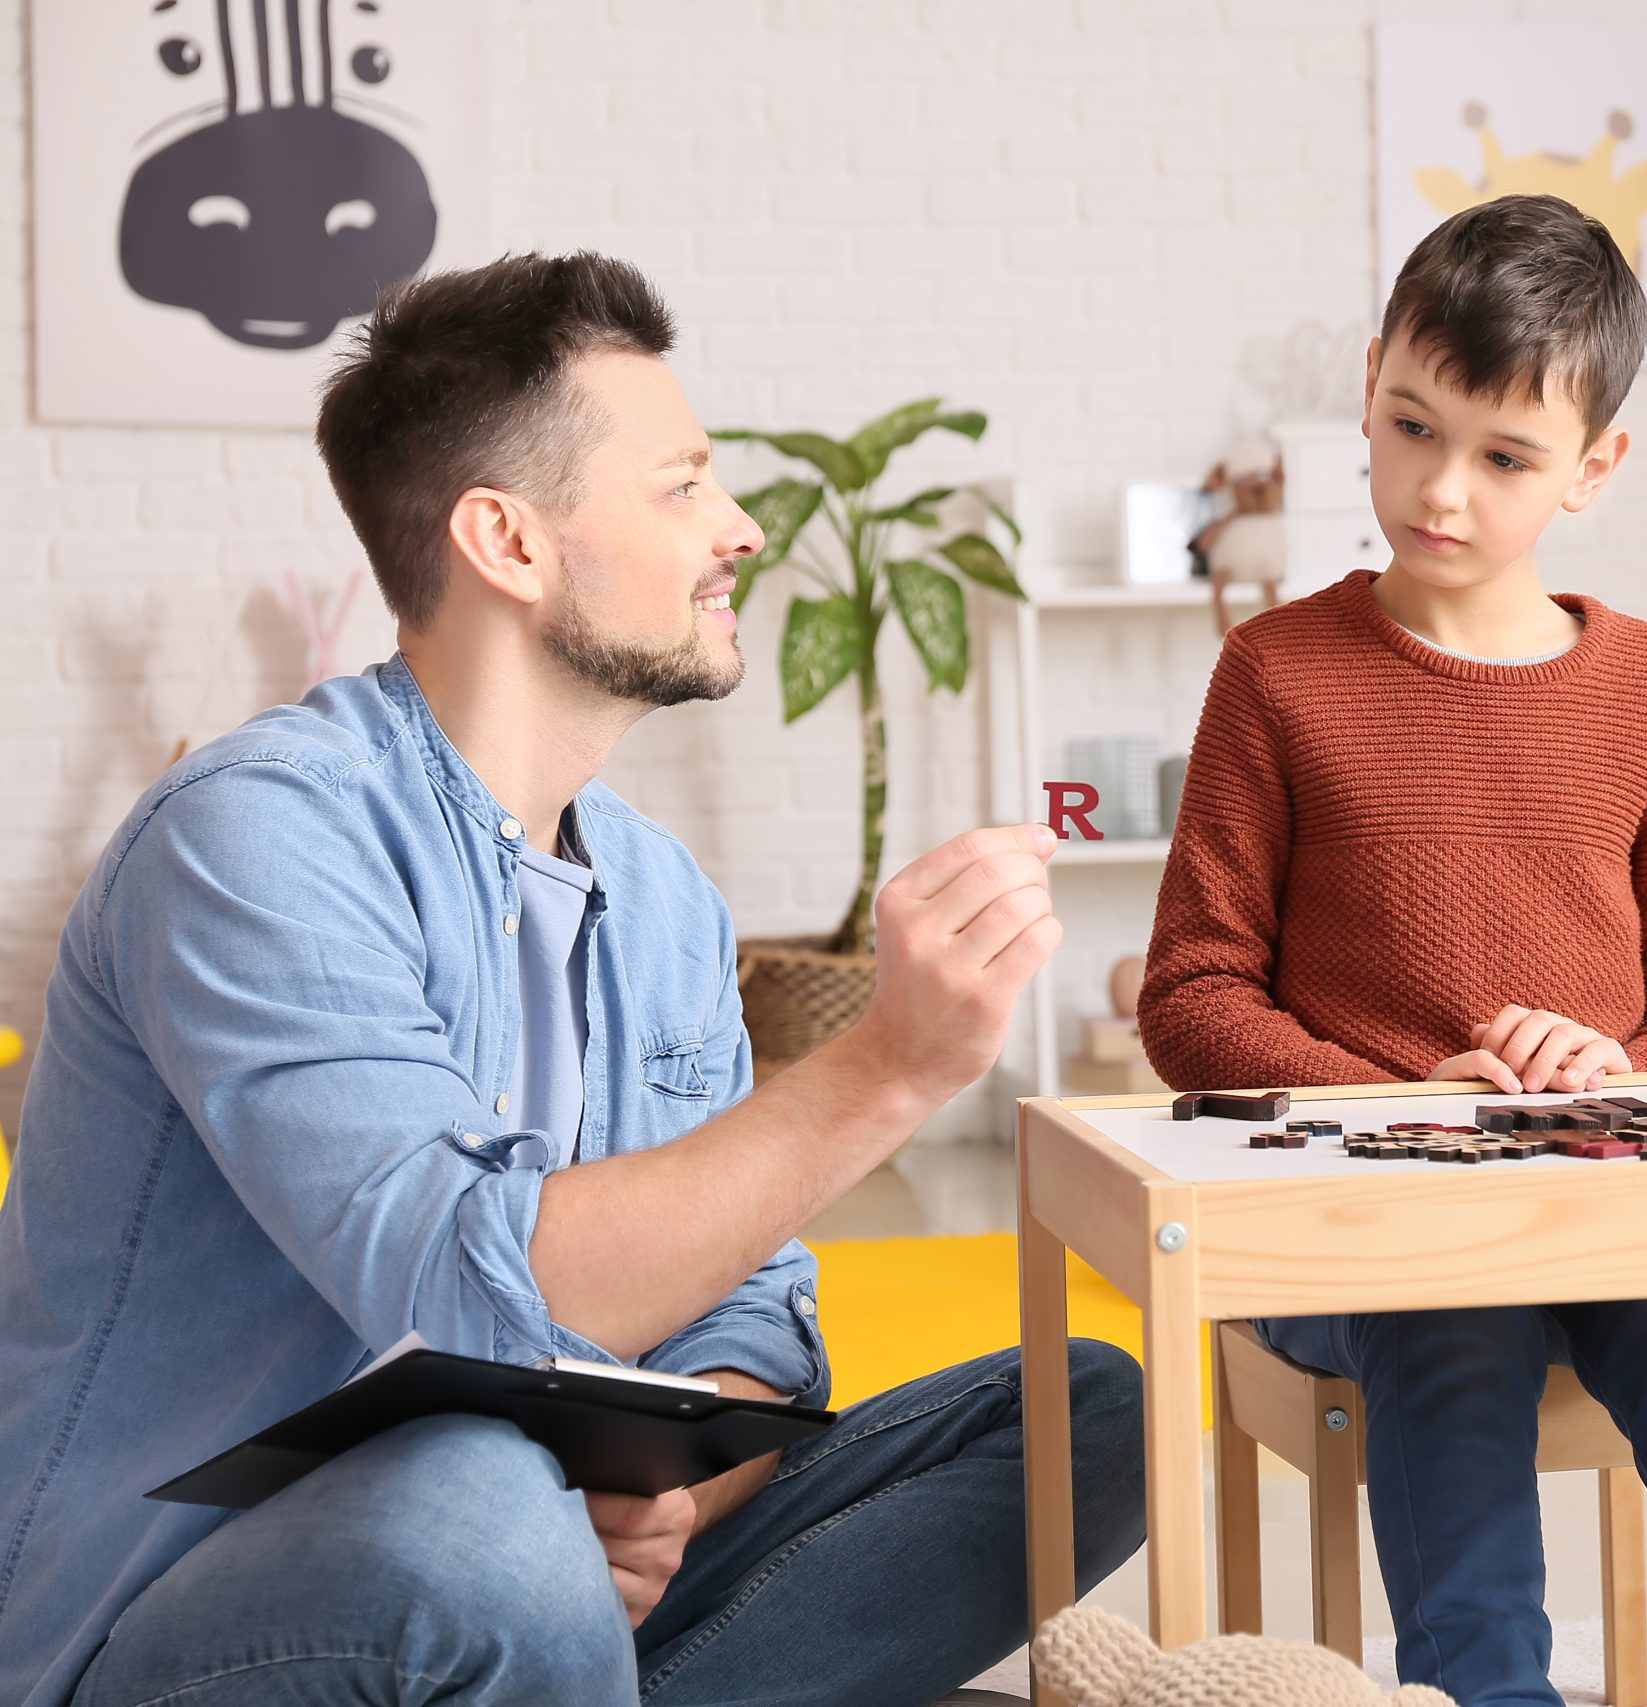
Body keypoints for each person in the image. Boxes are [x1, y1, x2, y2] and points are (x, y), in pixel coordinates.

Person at [0, 251, 1143, 1707]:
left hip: (543, 1571)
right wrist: (889, 1067)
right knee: (480, 1500)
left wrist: (670, 1494)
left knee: (1079, 1415)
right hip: (171, 1616)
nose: (735, 529)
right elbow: (462, 1280)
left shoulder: (661, 898)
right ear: (510, 543)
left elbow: (754, 1325)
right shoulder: (254, 831)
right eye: (681, 487)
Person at [1138, 195, 1647, 1707]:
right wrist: (1402, 1092)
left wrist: (1618, 1066)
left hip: (1602, 1204)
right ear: (1368, 386)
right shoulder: (1275, 672)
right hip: (1359, 1226)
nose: (1440, 489)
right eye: (1413, 428)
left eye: (1504, 457)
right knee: (1452, 1313)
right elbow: (1191, 998)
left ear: (1595, 468)